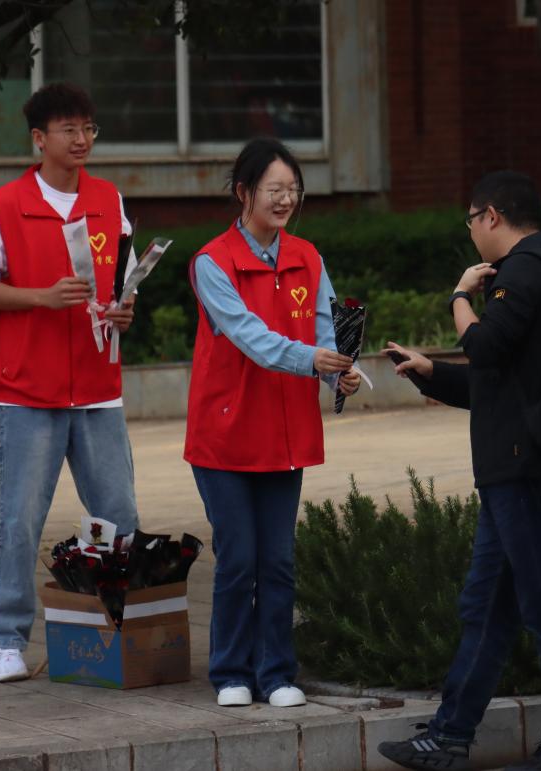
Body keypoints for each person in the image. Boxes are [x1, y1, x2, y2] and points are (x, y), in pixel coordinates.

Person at [378, 171, 541, 771]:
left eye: (471, 220)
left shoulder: (525, 272)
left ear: (492, 217)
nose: (472, 231)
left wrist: (459, 296)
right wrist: (431, 372)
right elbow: (500, 382)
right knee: (487, 608)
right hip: (518, 468)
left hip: (526, 472)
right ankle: (450, 736)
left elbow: (483, 348)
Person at [184, 137, 359, 708]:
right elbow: (251, 338)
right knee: (239, 559)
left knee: (278, 562)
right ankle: (231, 672)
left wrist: (340, 375)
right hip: (225, 437)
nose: (285, 200)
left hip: (286, 435)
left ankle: (278, 674)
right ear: (244, 193)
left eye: (293, 189)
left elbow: (325, 327)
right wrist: (313, 360)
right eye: (273, 190)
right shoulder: (212, 263)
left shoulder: (308, 256)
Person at [0, 82, 140, 683]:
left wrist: (124, 309)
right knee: (18, 520)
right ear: (38, 138)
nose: (81, 140)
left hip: (99, 387)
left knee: (119, 517)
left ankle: (125, 627)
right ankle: (5, 640)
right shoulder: (2, 205)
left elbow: (125, 280)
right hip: (28, 388)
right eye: (69, 129)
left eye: (88, 128)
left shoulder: (108, 199)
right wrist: (41, 298)